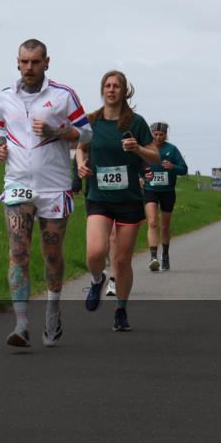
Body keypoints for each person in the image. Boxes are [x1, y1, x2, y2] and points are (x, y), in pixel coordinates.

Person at [0, 39, 92, 347]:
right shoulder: (5, 96)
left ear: (46, 62)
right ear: (17, 62)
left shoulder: (64, 95)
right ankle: (21, 325)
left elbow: (86, 131)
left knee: (51, 254)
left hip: (54, 185)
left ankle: (52, 309)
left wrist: (60, 132)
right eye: (24, 62)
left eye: (35, 62)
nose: (29, 68)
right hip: (17, 183)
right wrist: (0, 148)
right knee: (18, 252)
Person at [76, 70, 159, 332]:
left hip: (129, 199)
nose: (111, 90)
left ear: (124, 91)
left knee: (122, 260)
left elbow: (154, 157)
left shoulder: (136, 122)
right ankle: (97, 279)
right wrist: (80, 165)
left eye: (116, 86)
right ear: (102, 90)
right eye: (107, 86)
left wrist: (138, 149)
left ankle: (121, 309)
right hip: (99, 196)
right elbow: (80, 147)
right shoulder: (91, 121)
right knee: (95, 252)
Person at [142, 122, 188, 272]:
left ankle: (166, 255)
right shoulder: (146, 148)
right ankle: (153, 257)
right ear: (151, 134)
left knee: (165, 226)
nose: (158, 137)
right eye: (155, 134)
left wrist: (173, 167)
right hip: (150, 189)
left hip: (168, 191)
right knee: (153, 222)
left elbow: (184, 169)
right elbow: (136, 166)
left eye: (161, 134)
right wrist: (141, 176)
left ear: (165, 135)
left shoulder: (172, 149)